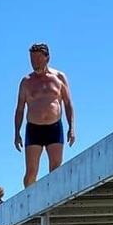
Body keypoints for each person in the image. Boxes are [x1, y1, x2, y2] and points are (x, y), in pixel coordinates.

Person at [13, 42, 76, 187]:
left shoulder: (59, 77)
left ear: (47, 58)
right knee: (31, 172)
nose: (34, 62)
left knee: (56, 169)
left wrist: (71, 128)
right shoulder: (26, 82)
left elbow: (67, 103)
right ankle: (29, 199)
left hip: (54, 128)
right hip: (34, 129)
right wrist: (17, 133)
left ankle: (54, 198)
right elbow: (20, 109)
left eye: (37, 59)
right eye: (32, 59)